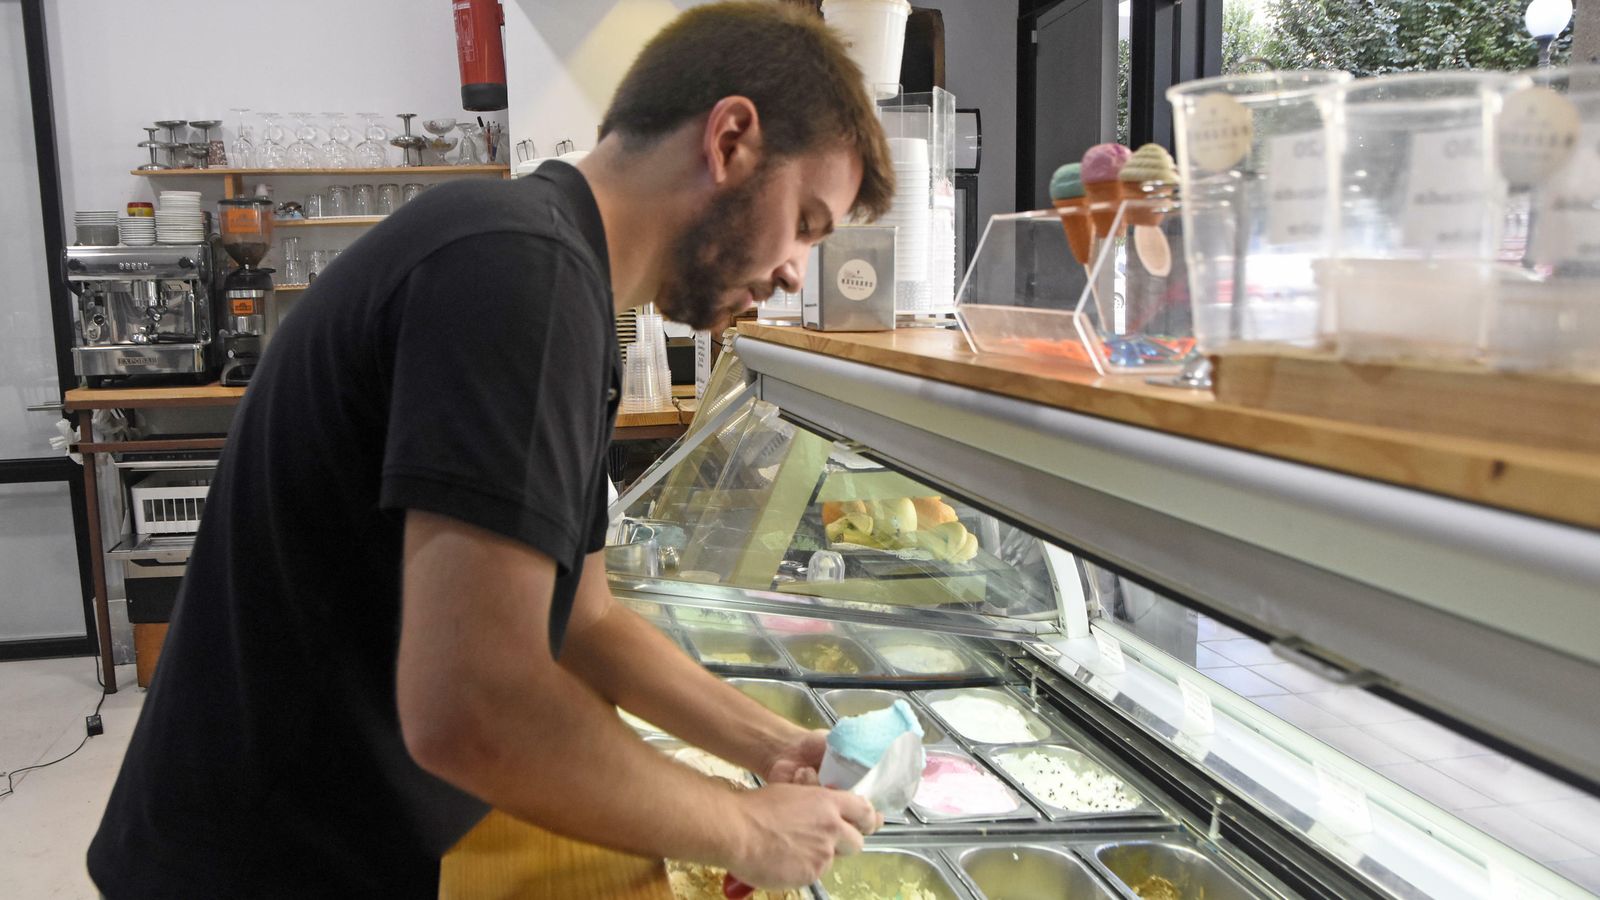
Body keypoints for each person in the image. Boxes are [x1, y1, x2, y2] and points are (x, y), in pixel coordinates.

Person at [86, 3, 894, 896]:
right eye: (806, 222)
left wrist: (774, 747)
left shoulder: (550, 270)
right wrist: (746, 828)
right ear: (730, 140)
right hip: (259, 865)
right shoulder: (521, 273)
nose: (794, 272)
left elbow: (586, 621)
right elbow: (473, 706)